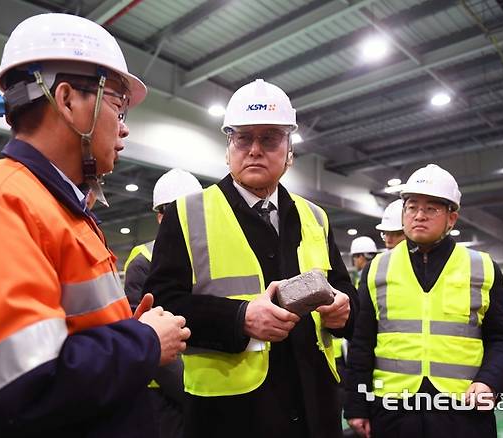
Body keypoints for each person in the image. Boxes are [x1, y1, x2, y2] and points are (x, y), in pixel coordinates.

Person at [0, 13, 190, 438]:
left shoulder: (56, 208)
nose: (125, 127)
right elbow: (20, 394)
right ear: (68, 99)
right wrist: (144, 342)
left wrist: (125, 327)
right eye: (117, 102)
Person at [144, 78, 358, 438]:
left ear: (289, 151)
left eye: (270, 138)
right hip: (230, 414)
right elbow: (162, 305)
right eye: (243, 138)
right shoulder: (187, 214)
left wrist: (343, 309)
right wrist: (239, 318)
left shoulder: (315, 217)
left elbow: (342, 290)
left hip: (314, 408)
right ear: (228, 148)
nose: (255, 149)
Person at [344, 164, 503, 438]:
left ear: (452, 218)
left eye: (431, 209)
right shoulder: (377, 269)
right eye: (412, 207)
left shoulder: (482, 268)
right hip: (393, 410)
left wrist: (490, 383)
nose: (419, 216)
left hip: (463, 411)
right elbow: (362, 343)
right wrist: (356, 406)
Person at [122, 168, 202, 437]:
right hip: (165, 394)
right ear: (160, 217)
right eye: (173, 211)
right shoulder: (143, 260)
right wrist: (191, 396)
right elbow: (148, 335)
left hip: (208, 386)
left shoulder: (206, 258)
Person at [124, 168, 203, 310]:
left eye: (190, 210)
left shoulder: (206, 254)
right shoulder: (142, 263)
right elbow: (136, 316)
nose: (185, 217)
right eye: (176, 211)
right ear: (160, 217)